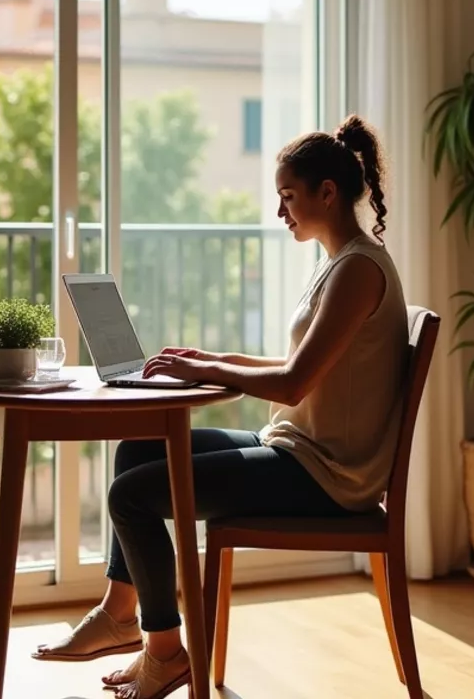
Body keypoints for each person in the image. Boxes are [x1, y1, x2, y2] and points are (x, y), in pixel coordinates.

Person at [31, 114, 409, 699]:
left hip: (327, 476)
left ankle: (164, 654)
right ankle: (118, 615)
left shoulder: (358, 270)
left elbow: (292, 384)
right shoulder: (338, 264)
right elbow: (302, 364)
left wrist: (206, 371)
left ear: (327, 193)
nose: (280, 212)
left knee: (130, 496)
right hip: (297, 450)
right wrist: (212, 357)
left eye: (288, 197)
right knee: (137, 450)